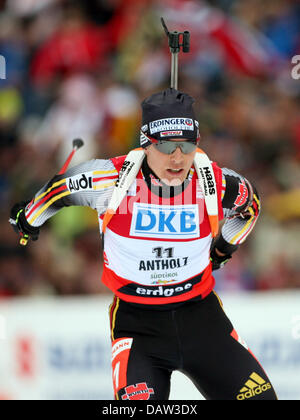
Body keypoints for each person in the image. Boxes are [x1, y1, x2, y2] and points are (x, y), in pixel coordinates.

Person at [10, 88, 277, 400]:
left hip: (201, 320)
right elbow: (58, 190)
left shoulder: (214, 183)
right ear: (146, 143)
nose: (178, 158)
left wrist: (224, 247)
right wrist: (28, 219)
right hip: (138, 327)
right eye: (166, 146)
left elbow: (252, 205)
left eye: (187, 144)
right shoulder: (110, 180)